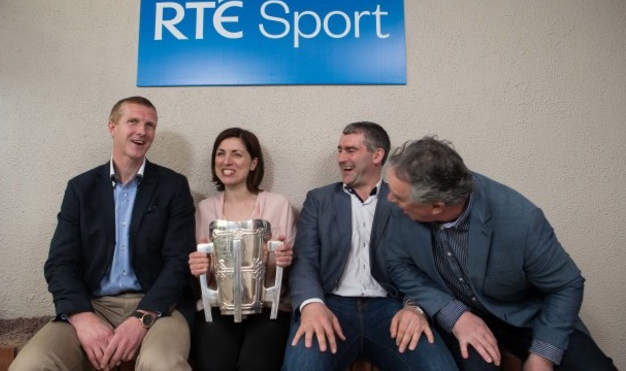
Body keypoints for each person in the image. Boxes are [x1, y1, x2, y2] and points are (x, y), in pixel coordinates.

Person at [385, 135, 617, 371]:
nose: (389, 199)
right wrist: (453, 314)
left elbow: (566, 285)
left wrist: (542, 356)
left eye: (398, 197)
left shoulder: (522, 220)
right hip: (454, 311)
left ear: (437, 207)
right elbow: (398, 265)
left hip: (525, 317)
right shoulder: (400, 206)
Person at [10, 96, 196, 371]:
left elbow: (179, 262)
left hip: (159, 307)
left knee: (163, 364)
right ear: (112, 127)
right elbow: (60, 263)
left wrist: (142, 318)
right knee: (29, 366)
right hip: (92, 304)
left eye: (150, 125)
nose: (142, 131)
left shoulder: (173, 186)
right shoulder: (80, 188)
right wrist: (81, 315)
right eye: (132, 121)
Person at [281, 122, 457, 371]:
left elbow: (423, 262)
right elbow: (305, 261)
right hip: (330, 306)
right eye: (339, 150)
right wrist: (311, 305)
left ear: (377, 155)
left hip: (390, 308)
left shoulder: (404, 200)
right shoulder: (319, 199)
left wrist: (415, 307)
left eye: (350, 150)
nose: (341, 158)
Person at [188, 127, 296, 371]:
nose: (227, 161)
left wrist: (284, 260)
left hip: (269, 311)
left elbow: (289, 271)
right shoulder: (204, 209)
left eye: (237, 154)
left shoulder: (278, 205)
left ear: (253, 162)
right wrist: (198, 267)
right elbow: (201, 274)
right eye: (220, 154)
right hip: (215, 311)